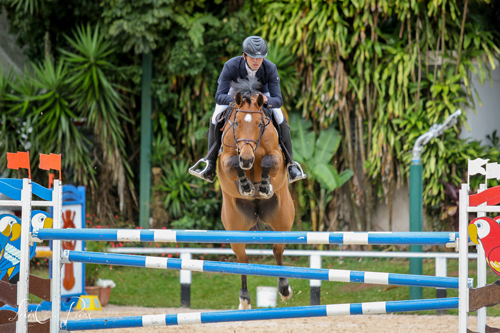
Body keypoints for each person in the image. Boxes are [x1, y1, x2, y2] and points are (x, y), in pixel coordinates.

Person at [189, 36, 306, 184]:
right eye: (252, 57)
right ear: (244, 56)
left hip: (261, 94)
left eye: (260, 58)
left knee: (279, 115)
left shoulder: (270, 68)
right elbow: (219, 96)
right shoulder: (230, 66)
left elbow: (278, 99)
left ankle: (290, 164)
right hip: (235, 95)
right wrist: (239, 102)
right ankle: (210, 164)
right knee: (215, 116)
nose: (256, 61)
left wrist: (266, 100)